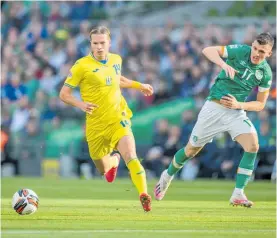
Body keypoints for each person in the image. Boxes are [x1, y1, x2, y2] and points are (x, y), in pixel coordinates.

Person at [155, 32, 274, 208]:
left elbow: (260, 104)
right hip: (214, 108)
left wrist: (239, 104)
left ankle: (238, 193)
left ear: (269, 54)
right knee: (190, 151)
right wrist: (223, 64)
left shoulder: (266, 73)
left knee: (253, 145)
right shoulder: (241, 50)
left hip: (235, 111)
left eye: (262, 51)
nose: (256, 53)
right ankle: (167, 176)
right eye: (255, 48)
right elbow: (208, 50)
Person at [59, 26, 154, 212]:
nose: (99, 47)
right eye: (95, 43)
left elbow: (118, 79)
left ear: (109, 43)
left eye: (103, 43)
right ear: (91, 44)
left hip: (118, 118)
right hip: (95, 125)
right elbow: (64, 94)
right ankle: (113, 161)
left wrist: (139, 85)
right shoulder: (81, 66)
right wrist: (81, 105)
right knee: (102, 169)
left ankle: (143, 194)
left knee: (132, 156)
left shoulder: (116, 59)